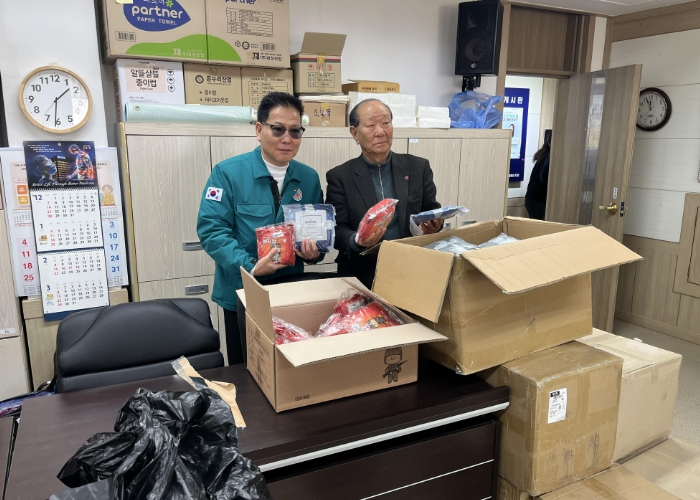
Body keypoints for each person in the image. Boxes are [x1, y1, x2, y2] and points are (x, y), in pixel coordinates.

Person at [197, 92, 324, 365]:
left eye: (295, 131)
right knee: (247, 368)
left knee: (290, 366)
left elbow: (315, 232)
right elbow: (212, 230)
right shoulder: (228, 173)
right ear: (259, 130)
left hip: (290, 293)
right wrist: (251, 266)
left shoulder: (309, 178)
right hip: (242, 292)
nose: (287, 138)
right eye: (278, 129)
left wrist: (315, 253)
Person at [325, 99, 443, 288]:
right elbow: (336, 230)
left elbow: (431, 210)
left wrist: (434, 225)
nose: (380, 132)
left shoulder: (418, 168)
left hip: (411, 269)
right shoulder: (340, 176)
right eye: (371, 125)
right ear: (354, 133)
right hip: (362, 273)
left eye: (386, 123)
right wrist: (358, 240)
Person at [524, 131, 551, 220]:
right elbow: (543, 179)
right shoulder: (549, 156)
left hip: (532, 199)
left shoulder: (543, 154)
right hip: (538, 201)